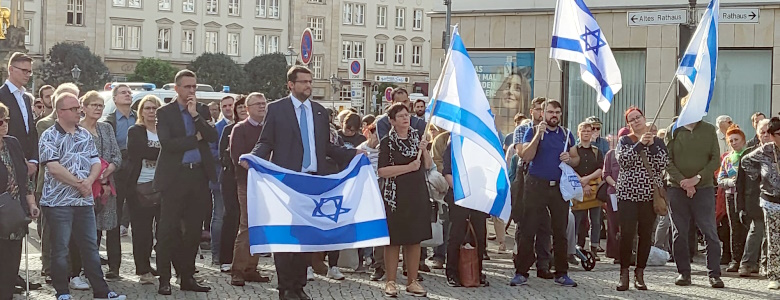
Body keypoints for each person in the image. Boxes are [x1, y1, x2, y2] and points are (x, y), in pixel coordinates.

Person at [243, 66, 358, 300]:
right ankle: (286, 288)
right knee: (287, 237)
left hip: (313, 183)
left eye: (310, 81)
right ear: (290, 85)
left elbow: (326, 146)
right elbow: (266, 141)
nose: (308, 85)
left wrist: (354, 154)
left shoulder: (318, 111)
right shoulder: (277, 109)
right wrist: (253, 159)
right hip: (286, 183)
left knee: (308, 237)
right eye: (303, 82)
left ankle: (299, 285)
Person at [39, 92, 127, 300]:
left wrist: (89, 181)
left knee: (90, 247)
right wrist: (79, 184)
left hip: (84, 201)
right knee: (60, 249)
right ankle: (62, 291)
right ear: (60, 112)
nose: (78, 111)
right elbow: (53, 167)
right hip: (58, 202)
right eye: (73, 109)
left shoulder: (84, 134)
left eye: (78, 108)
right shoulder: (49, 135)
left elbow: (96, 161)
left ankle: (102, 292)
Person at [153, 70, 217, 295]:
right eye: (187, 87)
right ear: (177, 88)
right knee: (167, 230)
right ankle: (164, 278)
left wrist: (195, 116)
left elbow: (212, 136)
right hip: (175, 177)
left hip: (198, 176)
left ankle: (188, 276)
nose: (191, 91)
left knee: (193, 231)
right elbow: (168, 144)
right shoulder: (165, 112)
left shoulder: (200, 110)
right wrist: (195, 139)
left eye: (194, 87)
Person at [513, 99, 580, 287]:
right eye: (550, 112)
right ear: (543, 113)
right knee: (528, 229)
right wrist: (537, 136)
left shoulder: (566, 134)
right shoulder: (532, 131)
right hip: (536, 185)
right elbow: (526, 156)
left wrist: (570, 159)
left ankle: (561, 272)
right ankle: (521, 272)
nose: (554, 116)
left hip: (558, 186)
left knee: (560, 231)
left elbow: (576, 159)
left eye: (557, 112)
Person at [664, 95, 724, 288]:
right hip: (676, 188)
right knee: (679, 232)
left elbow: (715, 159)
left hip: (704, 188)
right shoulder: (673, 130)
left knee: (709, 231)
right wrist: (683, 181)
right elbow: (667, 160)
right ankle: (683, 273)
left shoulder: (709, 130)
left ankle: (714, 273)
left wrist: (696, 179)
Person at [377, 102, 432, 297]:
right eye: (400, 116)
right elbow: (382, 171)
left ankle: (412, 281)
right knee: (394, 239)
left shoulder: (417, 138)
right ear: (392, 121)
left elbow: (428, 165)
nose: (405, 118)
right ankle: (390, 281)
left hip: (416, 193)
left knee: (414, 239)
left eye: (406, 115)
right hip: (395, 196)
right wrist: (407, 168)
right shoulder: (387, 142)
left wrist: (424, 150)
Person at [614, 107, 668, 291]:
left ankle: (640, 272)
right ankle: (624, 273)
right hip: (627, 194)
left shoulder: (659, 142)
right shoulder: (624, 141)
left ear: (645, 119)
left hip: (648, 196)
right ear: (629, 124)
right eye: (632, 120)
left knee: (646, 234)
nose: (636, 121)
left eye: (638, 117)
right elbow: (623, 161)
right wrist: (639, 145)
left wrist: (651, 145)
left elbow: (662, 164)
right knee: (627, 233)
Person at [35, 83, 78, 282]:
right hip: (51, 184)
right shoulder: (45, 125)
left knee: (70, 230)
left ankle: (69, 267)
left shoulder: (79, 127)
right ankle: (49, 267)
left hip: (74, 186)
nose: (76, 110)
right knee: (50, 229)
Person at [78, 91, 123, 281]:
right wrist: (96, 176)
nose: (98, 108)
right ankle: (87, 269)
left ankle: (114, 268)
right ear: (84, 107)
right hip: (87, 186)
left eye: (100, 105)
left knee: (111, 227)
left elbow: (117, 155)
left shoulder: (106, 128)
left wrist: (106, 173)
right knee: (90, 230)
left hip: (108, 186)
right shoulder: (77, 130)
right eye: (94, 105)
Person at [226, 93, 270, 286]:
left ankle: (252, 268)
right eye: (257, 104)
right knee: (247, 225)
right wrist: (260, 169)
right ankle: (238, 269)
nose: (262, 106)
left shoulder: (270, 128)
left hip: (267, 184)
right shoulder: (240, 128)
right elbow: (239, 158)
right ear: (248, 107)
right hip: (247, 183)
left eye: (264, 103)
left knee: (260, 225)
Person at [511, 97, 554, 281]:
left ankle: (544, 264)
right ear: (532, 111)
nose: (541, 113)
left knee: (546, 224)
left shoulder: (554, 129)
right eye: (538, 109)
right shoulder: (523, 129)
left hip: (547, 181)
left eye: (544, 109)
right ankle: (522, 263)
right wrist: (538, 135)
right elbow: (523, 154)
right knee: (525, 223)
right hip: (527, 177)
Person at [0, 102, 40, 300]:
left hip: (16, 214)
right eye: (0, 122)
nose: (4, 125)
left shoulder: (12, 143)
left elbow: (25, 178)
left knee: (11, 264)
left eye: (6, 120)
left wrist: (31, 203)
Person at [99, 83, 135, 275]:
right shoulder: (108, 121)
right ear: (114, 99)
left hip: (137, 171)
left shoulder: (139, 118)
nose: (128, 95)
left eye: (129, 92)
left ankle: (143, 265)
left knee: (139, 220)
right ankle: (114, 266)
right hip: (116, 172)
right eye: (123, 92)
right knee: (113, 219)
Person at [127, 95, 162, 285]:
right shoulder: (136, 131)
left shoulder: (165, 131)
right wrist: (164, 151)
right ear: (141, 111)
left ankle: (159, 264)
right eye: (147, 108)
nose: (151, 111)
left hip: (162, 186)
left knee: (164, 230)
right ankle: (143, 268)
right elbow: (138, 152)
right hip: (139, 186)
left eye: (155, 108)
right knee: (142, 232)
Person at [741, 116, 780, 290]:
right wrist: (760, 176)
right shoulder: (766, 150)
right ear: (771, 135)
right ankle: (775, 275)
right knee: (773, 240)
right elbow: (745, 162)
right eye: (778, 134)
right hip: (771, 201)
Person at [737, 118, 771, 277]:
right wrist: (740, 206)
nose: (765, 135)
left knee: (770, 233)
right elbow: (740, 183)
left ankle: (765, 264)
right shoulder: (749, 153)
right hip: (754, 200)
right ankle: (747, 263)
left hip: (773, 199)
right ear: (757, 134)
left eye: (768, 132)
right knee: (756, 231)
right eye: (762, 132)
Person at [219, 96, 247, 273]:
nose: (243, 110)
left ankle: (247, 261)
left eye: (245, 107)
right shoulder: (229, 129)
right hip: (230, 177)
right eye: (240, 107)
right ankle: (225, 258)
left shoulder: (262, 129)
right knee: (231, 216)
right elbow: (221, 153)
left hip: (251, 179)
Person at [717, 124, 748, 273]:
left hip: (748, 197)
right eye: (731, 140)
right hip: (731, 195)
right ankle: (735, 259)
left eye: (736, 139)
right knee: (734, 228)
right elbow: (720, 178)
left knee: (749, 228)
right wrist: (729, 182)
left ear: (743, 140)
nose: (734, 142)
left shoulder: (749, 156)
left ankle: (749, 260)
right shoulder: (727, 159)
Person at [0, 52, 38, 176]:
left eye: (29, 72)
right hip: (7, 163)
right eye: (24, 71)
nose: (27, 75)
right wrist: (21, 161)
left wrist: (33, 160)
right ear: (11, 69)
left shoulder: (26, 98)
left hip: (28, 165)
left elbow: (30, 131)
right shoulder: (1, 95)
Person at [571, 122, 604, 259]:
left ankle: (594, 248)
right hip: (578, 188)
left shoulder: (596, 151)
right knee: (578, 220)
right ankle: (578, 247)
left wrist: (588, 180)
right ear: (578, 133)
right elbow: (569, 168)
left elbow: (600, 168)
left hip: (594, 189)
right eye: (583, 130)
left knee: (596, 221)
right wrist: (582, 183)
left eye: (588, 131)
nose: (586, 133)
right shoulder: (573, 151)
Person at [603, 128, 629, 263]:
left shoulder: (633, 153)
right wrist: (615, 185)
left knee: (627, 224)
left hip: (629, 193)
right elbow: (605, 174)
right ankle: (615, 253)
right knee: (614, 224)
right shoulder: (610, 154)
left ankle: (627, 252)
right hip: (613, 193)